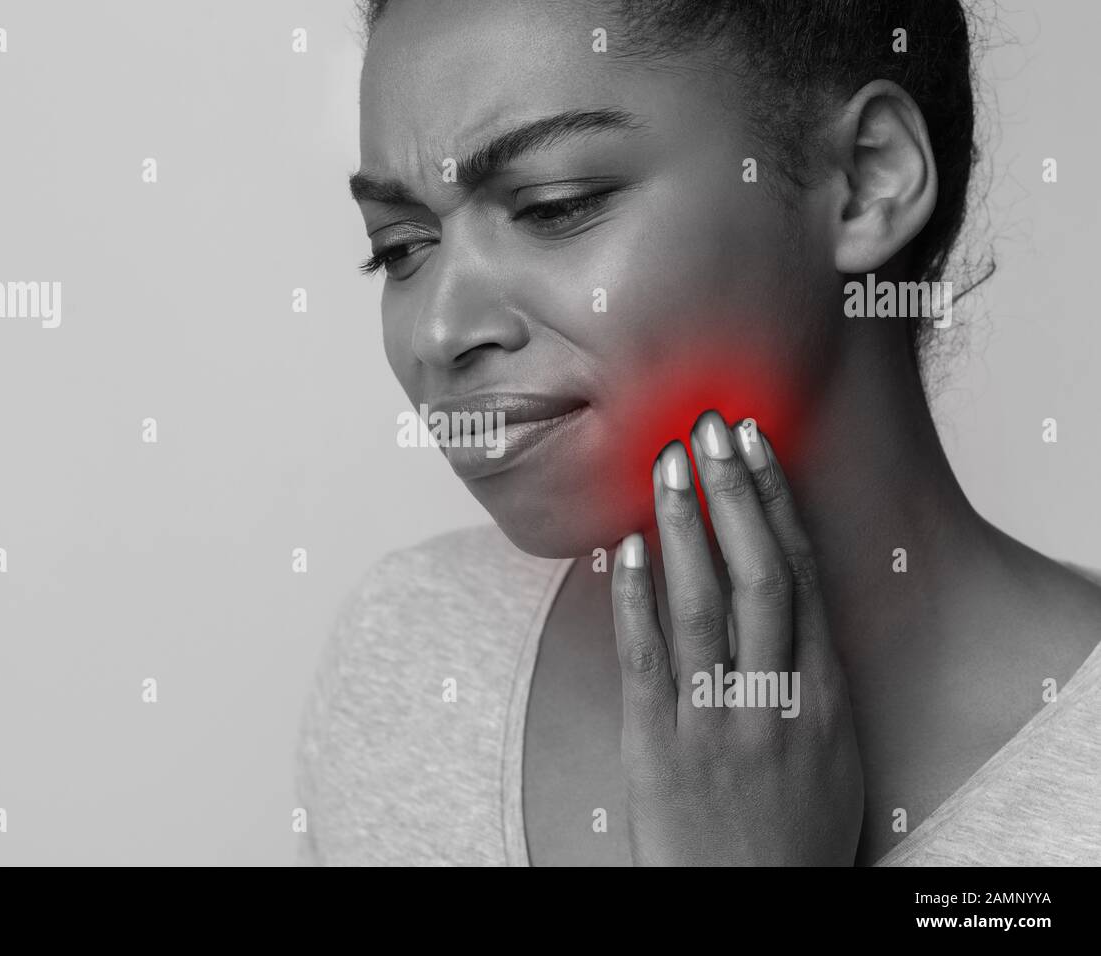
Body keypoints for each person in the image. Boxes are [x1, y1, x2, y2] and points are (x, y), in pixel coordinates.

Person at [294, 0, 1101, 865]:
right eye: (400, 247)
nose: (440, 332)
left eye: (554, 205)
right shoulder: (409, 658)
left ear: (869, 180)